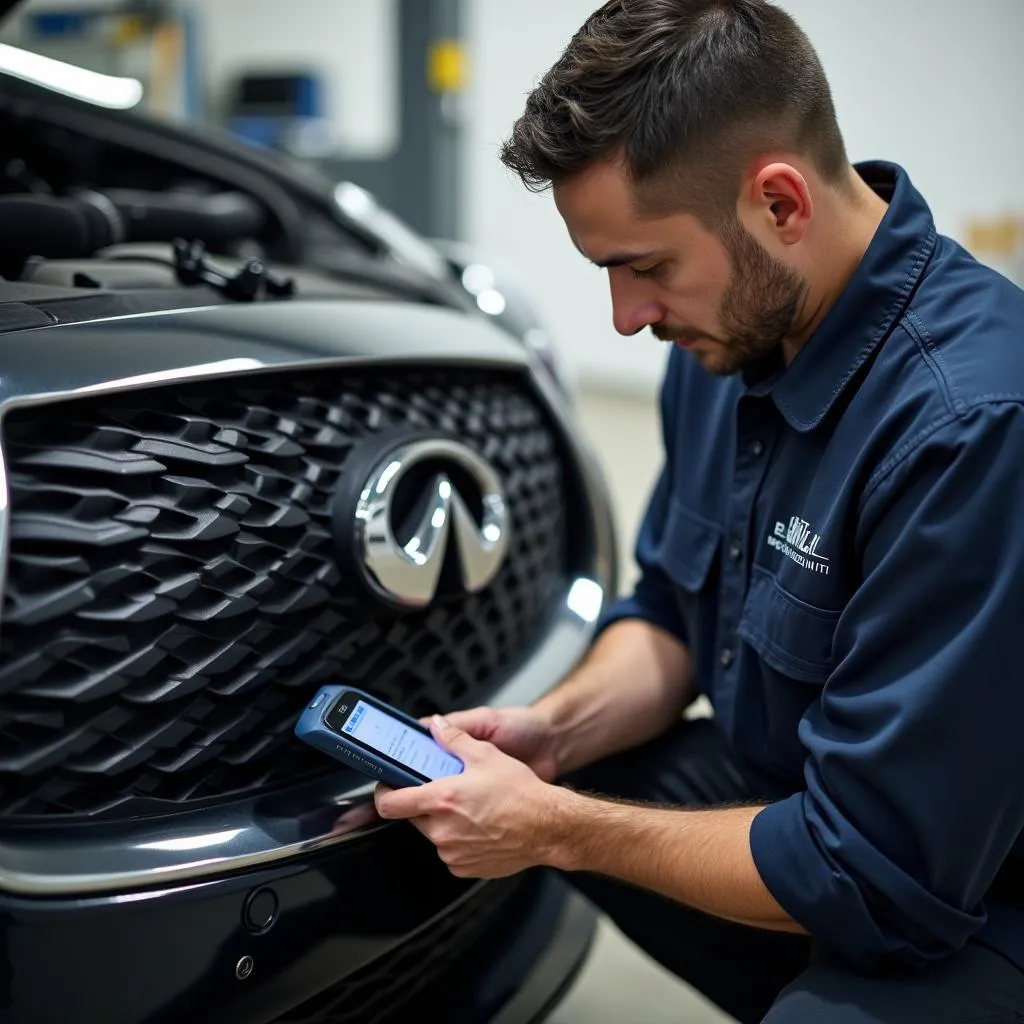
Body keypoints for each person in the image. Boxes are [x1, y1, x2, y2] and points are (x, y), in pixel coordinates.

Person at [373, 1, 1024, 1020]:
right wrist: (549, 736)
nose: (625, 319)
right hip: (815, 800)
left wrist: (555, 826)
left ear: (778, 203)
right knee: (582, 767)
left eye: (645, 266)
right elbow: (676, 611)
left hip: (964, 892)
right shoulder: (725, 341)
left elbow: (882, 874)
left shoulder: (972, 425)